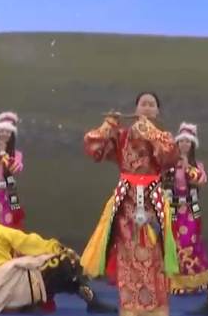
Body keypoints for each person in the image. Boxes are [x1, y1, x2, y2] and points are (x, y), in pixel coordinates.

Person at [79, 91, 181, 316]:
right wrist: (109, 124)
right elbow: (94, 148)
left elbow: (170, 158)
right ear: (135, 109)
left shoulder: (163, 137)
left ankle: (156, 310)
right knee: (127, 252)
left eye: (151, 104)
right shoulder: (123, 136)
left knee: (155, 252)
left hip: (153, 201)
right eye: (143, 104)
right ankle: (130, 309)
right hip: (126, 200)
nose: (147, 108)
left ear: (157, 112)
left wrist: (149, 132)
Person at [0, 193, 117, 314]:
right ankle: (92, 301)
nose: (1, 210)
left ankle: (28, 305)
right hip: (8, 286)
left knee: (43, 270)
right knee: (65, 262)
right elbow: (31, 243)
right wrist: (62, 250)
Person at [165, 122, 208, 295]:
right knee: (173, 243)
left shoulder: (197, 165)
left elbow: (200, 181)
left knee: (191, 241)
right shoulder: (168, 165)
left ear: (192, 145)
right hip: (173, 209)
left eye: (188, 141)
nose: (184, 144)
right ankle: (176, 282)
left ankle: (195, 281)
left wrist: (187, 167)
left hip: (191, 209)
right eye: (181, 141)